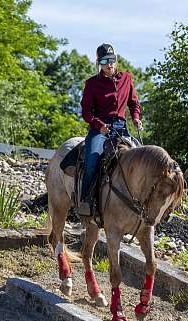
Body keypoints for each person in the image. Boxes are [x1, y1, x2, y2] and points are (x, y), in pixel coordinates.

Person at [78, 43, 143, 217]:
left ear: (116, 60)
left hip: (122, 128)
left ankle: (141, 202)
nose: (110, 64)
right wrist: (100, 125)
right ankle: (85, 200)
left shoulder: (127, 78)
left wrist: (136, 118)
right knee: (92, 160)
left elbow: (133, 103)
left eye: (112, 60)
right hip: (100, 129)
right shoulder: (91, 84)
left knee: (139, 159)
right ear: (99, 62)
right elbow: (86, 112)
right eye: (105, 61)